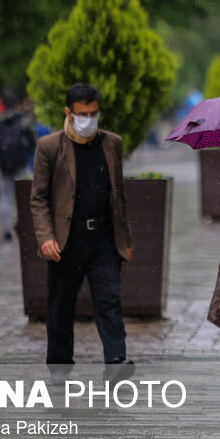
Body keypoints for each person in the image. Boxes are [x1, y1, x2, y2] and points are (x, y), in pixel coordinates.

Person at [30, 83, 134, 383]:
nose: (88, 119)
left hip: (103, 237)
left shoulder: (112, 143)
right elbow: (38, 197)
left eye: (93, 112)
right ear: (69, 112)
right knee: (61, 305)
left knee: (109, 300)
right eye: (82, 114)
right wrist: (45, 236)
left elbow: (119, 196)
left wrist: (125, 239)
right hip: (66, 240)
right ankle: (60, 366)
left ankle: (117, 361)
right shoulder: (49, 147)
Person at [0, 90, 36, 240]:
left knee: (5, 197)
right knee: (23, 196)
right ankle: (21, 224)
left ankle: (7, 230)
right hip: (21, 164)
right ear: (16, 104)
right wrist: (25, 153)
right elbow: (32, 142)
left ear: (3, 104)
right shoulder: (23, 120)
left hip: (3, 166)